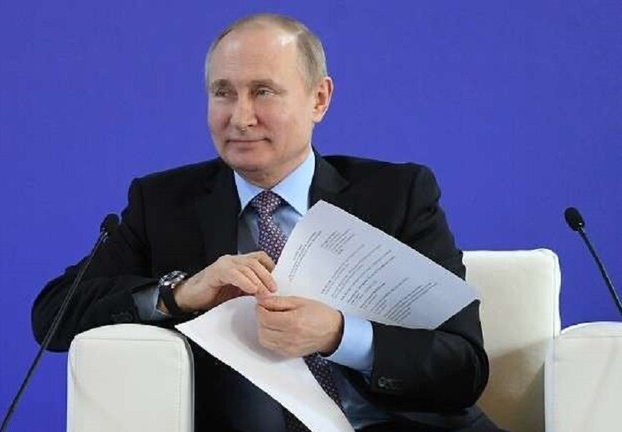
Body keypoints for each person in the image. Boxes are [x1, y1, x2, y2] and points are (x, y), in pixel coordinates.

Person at [32, 13, 505, 432]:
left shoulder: (397, 195)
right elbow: (53, 316)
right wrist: (179, 294)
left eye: (263, 91)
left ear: (319, 99)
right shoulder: (162, 203)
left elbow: (463, 366)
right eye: (223, 93)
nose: (241, 117)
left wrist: (340, 335)